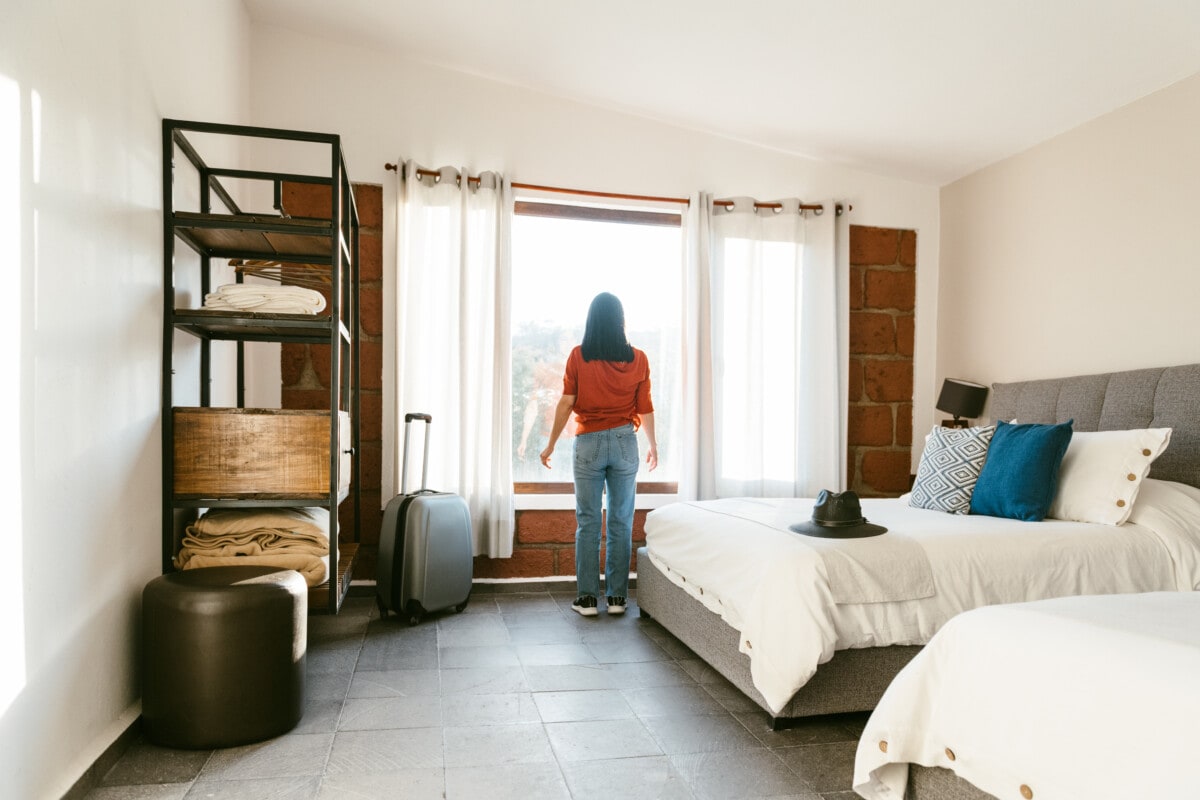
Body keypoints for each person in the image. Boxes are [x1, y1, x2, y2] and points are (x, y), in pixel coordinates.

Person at [540, 292, 657, 617]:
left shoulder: (579, 356)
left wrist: (550, 445)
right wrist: (653, 445)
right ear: (621, 321)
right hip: (624, 442)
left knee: (588, 522)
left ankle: (588, 599)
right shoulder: (640, 359)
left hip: (589, 442)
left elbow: (566, 402)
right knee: (621, 522)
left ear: (591, 322)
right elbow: (644, 407)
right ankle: (618, 599)